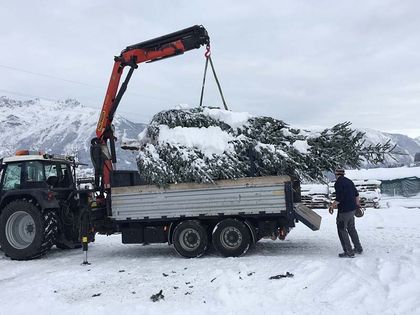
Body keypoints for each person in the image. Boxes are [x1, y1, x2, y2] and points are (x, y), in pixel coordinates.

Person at [329, 168, 363, 258]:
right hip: (352, 210)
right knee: (352, 229)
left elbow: (339, 198)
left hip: (344, 211)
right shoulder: (349, 181)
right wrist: (357, 205)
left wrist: (332, 205)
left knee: (342, 230)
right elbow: (356, 195)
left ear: (336, 174)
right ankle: (358, 248)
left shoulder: (338, 183)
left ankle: (349, 251)